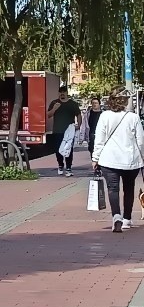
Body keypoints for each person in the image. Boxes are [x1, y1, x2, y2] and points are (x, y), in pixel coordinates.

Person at [92, 86, 144, 232]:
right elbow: (140, 141)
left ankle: (116, 216)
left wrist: (95, 158)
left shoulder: (104, 116)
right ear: (125, 101)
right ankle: (127, 219)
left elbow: (99, 140)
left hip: (109, 159)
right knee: (129, 188)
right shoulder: (133, 117)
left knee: (113, 189)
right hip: (130, 160)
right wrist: (143, 157)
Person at [47, 86, 82, 177]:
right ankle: (60, 165)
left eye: (64, 92)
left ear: (67, 93)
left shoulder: (72, 104)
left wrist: (79, 125)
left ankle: (69, 167)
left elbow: (78, 115)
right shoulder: (54, 103)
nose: (62, 93)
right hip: (57, 131)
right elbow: (48, 115)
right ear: (58, 93)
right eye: (60, 92)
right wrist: (54, 108)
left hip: (69, 131)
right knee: (58, 150)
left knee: (68, 149)